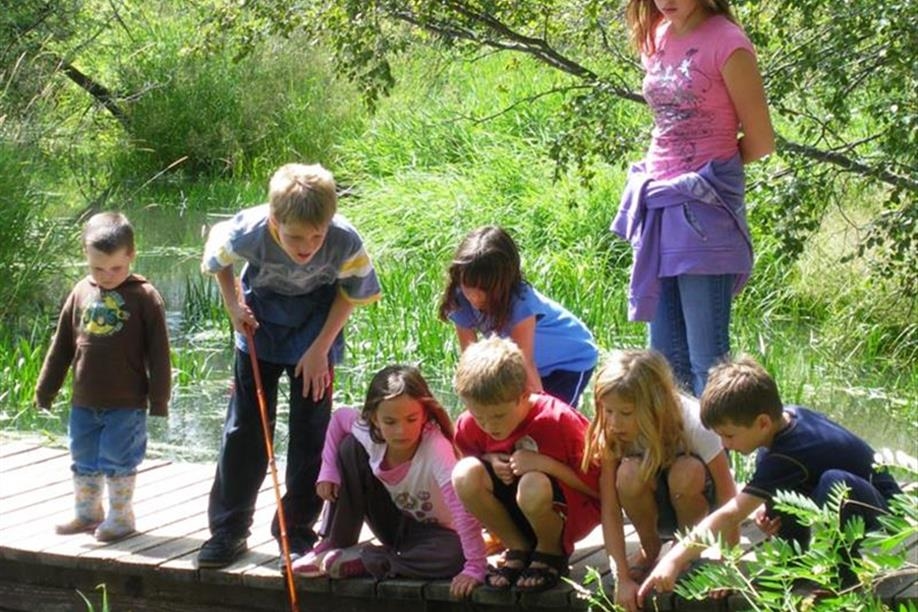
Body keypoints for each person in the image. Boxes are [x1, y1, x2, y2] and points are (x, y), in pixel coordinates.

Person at [197, 163, 381, 568]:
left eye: (317, 236)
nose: (308, 247)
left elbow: (353, 292)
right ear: (275, 220)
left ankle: (295, 530)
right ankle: (229, 530)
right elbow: (217, 256)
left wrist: (321, 350)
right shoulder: (249, 230)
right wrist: (232, 306)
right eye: (296, 237)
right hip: (258, 323)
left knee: (311, 431)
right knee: (245, 428)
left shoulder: (344, 239)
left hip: (317, 330)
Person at [611, 0, 775, 396]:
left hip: (705, 215)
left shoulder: (729, 43)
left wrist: (708, 177)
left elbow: (761, 140)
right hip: (658, 211)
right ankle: (677, 457)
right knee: (663, 364)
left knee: (709, 365)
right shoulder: (658, 35)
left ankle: (718, 458)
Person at [639, 356, 903, 599]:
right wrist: (768, 506)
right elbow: (779, 476)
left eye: (729, 435)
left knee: (834, 482)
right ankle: (793, 563)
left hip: (885, 513)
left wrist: (673, 559)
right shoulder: (787, 420)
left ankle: (843, 577)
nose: (724, 444)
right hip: (851, 498)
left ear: (763, 422)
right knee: (775, 482)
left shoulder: (791, 450)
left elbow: (731, 514)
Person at [292, 365, 487, 599]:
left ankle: (370, 559)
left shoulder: (436, 448)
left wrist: (475, 566)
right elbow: (340, 418)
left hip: (436, 536)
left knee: (455, 555)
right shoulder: (370, 432)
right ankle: (336, 543)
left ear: (425, 414)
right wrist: (328, 470)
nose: (401, 430)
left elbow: (462, 511)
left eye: (411, 419)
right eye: (390, 421)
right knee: (350, 448)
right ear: (374, 418)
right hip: (392, 520)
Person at [35, 212, 171, 542]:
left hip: (126, 402)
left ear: (131, 256)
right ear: (85, 255)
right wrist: (46, 387)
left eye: (116, 268)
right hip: (84, 399)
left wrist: (159, 399)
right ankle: (87, 513)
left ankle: (121, 517)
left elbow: (159, 353)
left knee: (118, 459)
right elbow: (63, 345)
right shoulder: (81, 292)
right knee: (82, 456)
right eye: (98, 268)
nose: (107, 276)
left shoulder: (145, 297)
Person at [581, 350, 737, 612]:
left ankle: (687, 550)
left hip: (699, 507)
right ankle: (650, 546)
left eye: (626, 413)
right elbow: (609, 508)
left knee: (686, 471)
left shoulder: (694, 421)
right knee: (628, 474)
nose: (615, 422)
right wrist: (621, 577)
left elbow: (728, 495)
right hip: (655, 504)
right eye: (608, 411)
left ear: (655, 403)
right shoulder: (612, 433)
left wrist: (729, 566)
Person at [451, 336, 601, 592]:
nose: (489, 426)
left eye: (498, 416)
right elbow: (467, 460)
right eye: (479, 417)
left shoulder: (558, 420)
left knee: (533, 482)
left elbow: (599, 489)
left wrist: (545, 464)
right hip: (517, 512)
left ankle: (550, 552)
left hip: (567, 512)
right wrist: (488, 460)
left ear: (524, 395)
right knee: (464, 473)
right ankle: (517, 547)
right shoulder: (469, 424)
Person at [438, 225, 598, 408]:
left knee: (552, 422)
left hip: (569, 361)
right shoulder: (460, 298)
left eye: (485, 289)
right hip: (535, 363)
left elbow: (524, 364)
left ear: (505, 282)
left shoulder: (521, 304)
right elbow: (470, 358)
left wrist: (543, 416)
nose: (475, 296)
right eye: (468, 286)